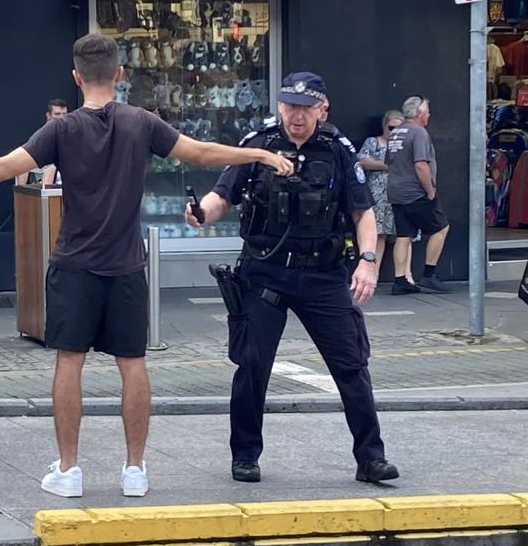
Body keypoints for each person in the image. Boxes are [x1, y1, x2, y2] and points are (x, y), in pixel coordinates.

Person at [0, 34, 291, 498]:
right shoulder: (143, 122)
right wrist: (260, 153)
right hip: (127, 266)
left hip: (74, 264)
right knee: (133, 363)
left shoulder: (60, 130)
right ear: (120, 74)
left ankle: (69, 469)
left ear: (76, 77)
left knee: (69, 361)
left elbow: (5, 167)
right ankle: (135, 470)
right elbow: (202, 152)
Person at [187, 71, 397, 486]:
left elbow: (363, 213)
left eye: (305, 108)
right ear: (279, 106)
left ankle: (371, 458)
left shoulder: (338, 150)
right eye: (289, 106)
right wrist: (200, 214)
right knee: (251, 366)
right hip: (265, 274)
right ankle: (245, 455)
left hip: (323, 275)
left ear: (322, 109)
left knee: (352, 367)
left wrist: (368, 261)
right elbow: (222, 195)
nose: (296, 115)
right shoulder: (258, 146)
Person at [385, 96, 450, 294]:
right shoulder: (419, 133)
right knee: (441, 228)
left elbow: (390, 162)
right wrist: (430, 190)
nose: (429, 115)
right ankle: (429, 274)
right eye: (427, 111)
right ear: (420, 114)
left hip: (396, 192)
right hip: (416, 192)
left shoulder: (396, 133)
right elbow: (421, 164)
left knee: (404, 235)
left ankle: (400, 280)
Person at [357, 110, 404, 283]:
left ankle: (405, 276)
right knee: (378, 234)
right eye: (391, 128)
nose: (393, 132)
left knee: (403, 235)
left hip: (398, 194)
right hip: (377, 195)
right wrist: (386, 166)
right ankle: (372, 274)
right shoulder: (373, 142)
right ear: (384, 126)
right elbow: (362, 160)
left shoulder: (403, 144)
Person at [16, 99, 69, 186]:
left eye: (64, 114)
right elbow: (22, 164)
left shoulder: (72, 137)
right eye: (57, 114)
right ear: (48, 115)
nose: (61, 118)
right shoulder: (39, 139)